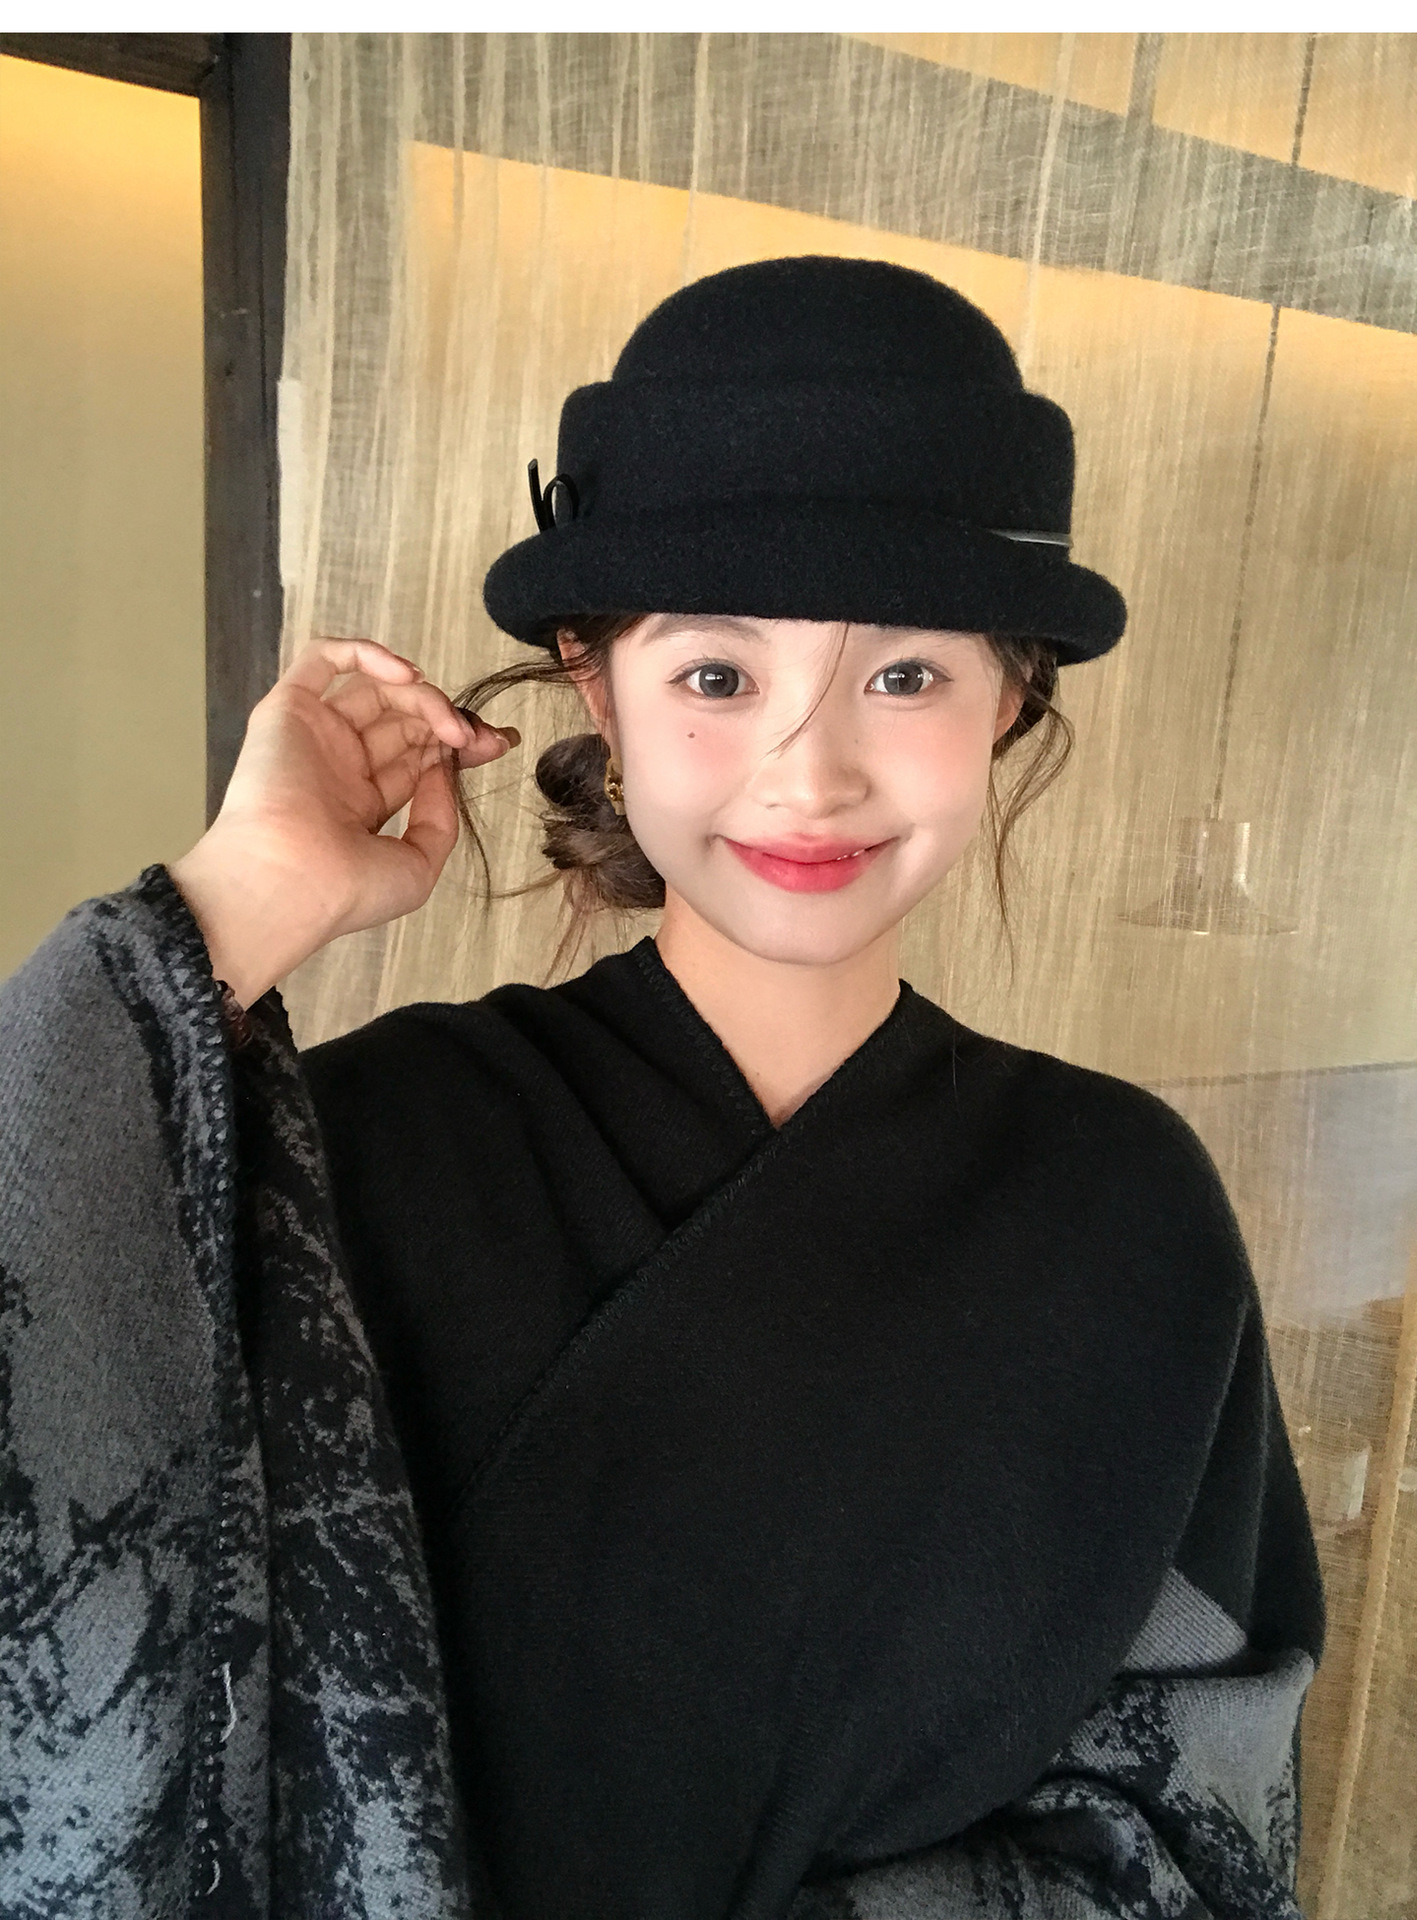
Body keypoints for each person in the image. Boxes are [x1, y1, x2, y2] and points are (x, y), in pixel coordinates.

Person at [1, 257, 1323, 1920]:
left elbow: (1194, 1787)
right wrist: (231, 909)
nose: (809, 773)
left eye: (905, 676)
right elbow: (62, 1548)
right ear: (594, 682)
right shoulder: (364, 1138)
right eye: (715, 675)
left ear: (1011, 698)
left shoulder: (1120, 1196)